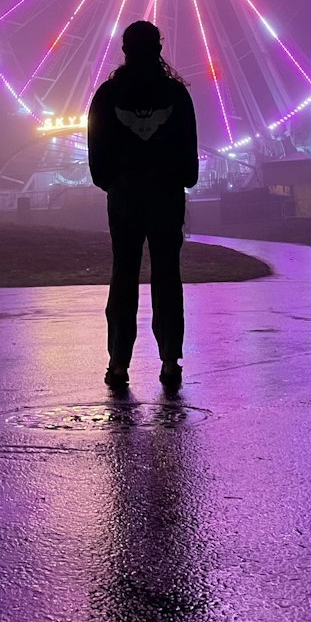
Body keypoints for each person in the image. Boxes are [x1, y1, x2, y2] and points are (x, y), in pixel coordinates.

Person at [87, 20, 198, 389]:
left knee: (123, 276)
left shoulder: (107, 95)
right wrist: (177, 177)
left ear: (124, 50)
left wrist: (114, 182)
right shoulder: (177, 96)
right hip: (166, 196)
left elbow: (97, 158)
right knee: (167, 276)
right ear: (159, 51)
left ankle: (118, 362)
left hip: (125, 197)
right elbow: (189, 158)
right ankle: (169, 360)